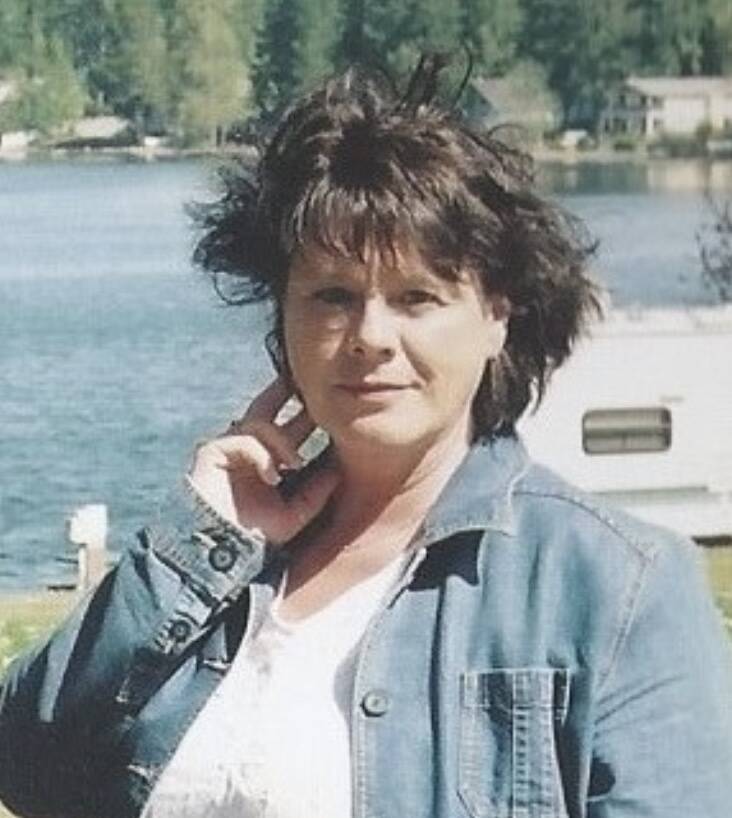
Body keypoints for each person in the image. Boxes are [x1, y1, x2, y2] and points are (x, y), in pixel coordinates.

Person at [1, 56, 731, 818]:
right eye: (332, 296)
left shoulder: (617, 590)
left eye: (417, 298)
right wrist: (198, 545)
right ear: (283, 317)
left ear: (497, 317)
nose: (370, 336)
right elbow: (22, 763)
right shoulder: (224, 565)